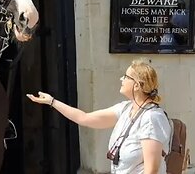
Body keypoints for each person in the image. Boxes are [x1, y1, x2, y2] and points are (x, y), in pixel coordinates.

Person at [27, 59, 172, 173]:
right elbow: (84, 118)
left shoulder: (152, 118)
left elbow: (151, 170)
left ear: (137, 85)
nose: (121, 79)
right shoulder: (125, 109)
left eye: (126, 77)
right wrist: (52, 102)